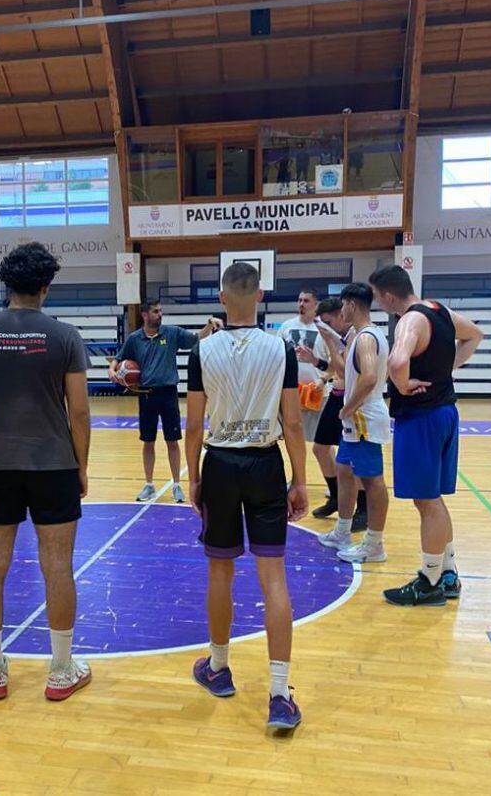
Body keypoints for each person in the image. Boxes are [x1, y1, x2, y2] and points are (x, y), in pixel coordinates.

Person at [0, 242, 93, 701]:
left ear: (6, 283)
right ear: (45, 286)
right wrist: (82, 465)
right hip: (54, 464)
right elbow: (79, 412)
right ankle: (60, 670)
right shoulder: (64, 336)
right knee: (57, 565)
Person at [186, 262, 308, 730]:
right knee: (273, 578)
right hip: (264, 465)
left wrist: (193, 476)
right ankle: (279, 694)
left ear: (221, 298)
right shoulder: (282, 348)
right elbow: (293, 422)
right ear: (260, 296)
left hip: (219, 464)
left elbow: (194, 424)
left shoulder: (203, 349)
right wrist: (300, 478)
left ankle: (218, 668)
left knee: (220, 572)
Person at [368, 265, 483, 606]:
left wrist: (402, 385)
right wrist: (447, 368)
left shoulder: (410, 320)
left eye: (377, 297)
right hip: (447, 412)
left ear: (389, 296)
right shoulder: (440, 310)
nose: (378, 303)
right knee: (433, 498)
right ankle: (447, 572)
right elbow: (475, 334)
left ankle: (429, 580)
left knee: (427, 501)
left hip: (422, 417)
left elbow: (397, 361)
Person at [108, 299, 222, 503]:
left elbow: (197, 338)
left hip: (168, 394)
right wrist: (111, 370)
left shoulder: (171, 333)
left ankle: (177, 485)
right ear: (144, 315)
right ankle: (149, 484)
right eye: (155, 311)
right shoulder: (135, 339)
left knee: (172, 441)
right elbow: (119, 357)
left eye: (160, 311)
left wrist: (209, 324)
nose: (160, 315)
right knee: (148, 442)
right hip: (146, 394)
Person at [317, 283, 390, 562]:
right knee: (343, 469)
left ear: (351, 305)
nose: (341, 310)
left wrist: (348, 407)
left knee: (372, 481)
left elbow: (370, 377)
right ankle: (343, 531)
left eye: (343, 305)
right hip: (356, 418)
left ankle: (374, 544)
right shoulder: (362, 336)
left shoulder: (366, 338)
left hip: (363, 417)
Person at [311, 297, 368, 528]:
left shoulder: (357, 336)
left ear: (340, 315)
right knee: (320, 448)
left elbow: (345, 370)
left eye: (328, 321)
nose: (326, 326)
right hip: (336, 394)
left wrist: (331, 345)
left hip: (352, 400)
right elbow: (336, 368)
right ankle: (336, 497)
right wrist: (317, 363)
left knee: (354, 458)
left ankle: (363, 509)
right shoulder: (340, 337)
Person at [278, 289, 332, 513]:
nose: (301, 304)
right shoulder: (286, 326)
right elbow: (277, 356)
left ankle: (333, 484)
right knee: (291, 440)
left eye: (306, 300)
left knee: (323, 445)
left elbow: (335, 362)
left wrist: (323, 380)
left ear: (316, 304)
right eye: (299, 300)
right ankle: (294, 479)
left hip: (318, 393)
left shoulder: (324, 330)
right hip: (291, 394)